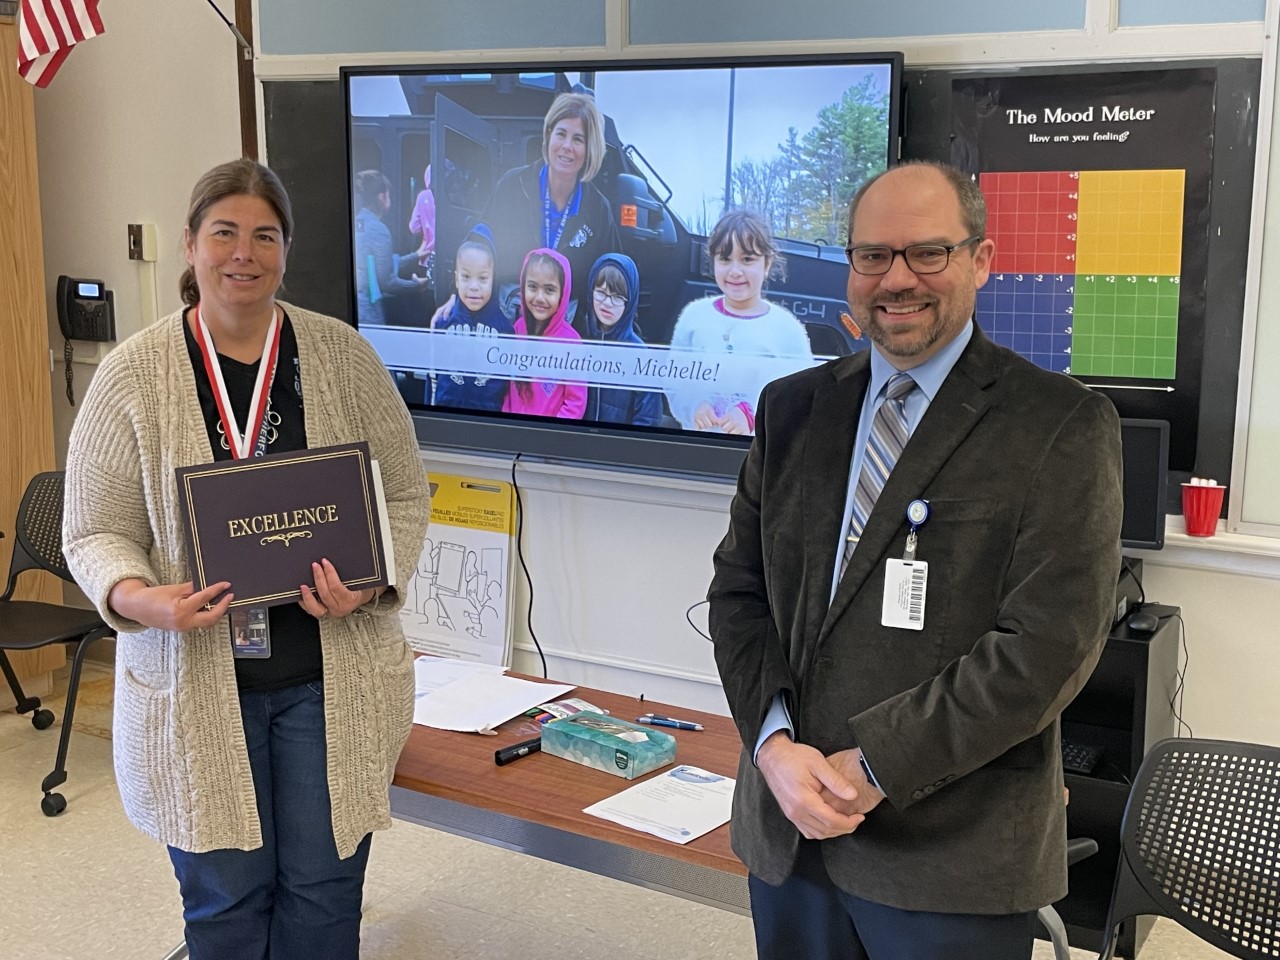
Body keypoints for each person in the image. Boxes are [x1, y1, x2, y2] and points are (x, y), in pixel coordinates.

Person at [707, 161, 1123, 960]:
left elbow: (1045, 649)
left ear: (981, 259)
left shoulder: (1060, 425)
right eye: (873, 256)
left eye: (927, 253)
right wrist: (773, 748)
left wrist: (873, 766)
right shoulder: (794, 409)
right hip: (791, 830)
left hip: (951, 861)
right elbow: (739, 593)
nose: (897, 280)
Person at [61, 159, 432, 960]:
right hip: (197, 686)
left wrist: (368, 584)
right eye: (223, 232)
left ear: (286, 251)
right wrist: (139, 598)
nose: (244, 253)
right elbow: (93, 530)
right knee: (226, 905)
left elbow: (404, 495)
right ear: (191, 245)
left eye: (265, 235)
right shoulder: (131, 375)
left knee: (325, 895)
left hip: (328, 682)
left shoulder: (343, 358)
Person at [666, 209, 812, 434]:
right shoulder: (693, 317)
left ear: (767, 263)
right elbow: (674, 382)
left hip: (758, 457)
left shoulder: (787, 330)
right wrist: (694, 406)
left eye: (747, 259)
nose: (735, 271)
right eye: (725, 259)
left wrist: (752, 415)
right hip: (697, 451)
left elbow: (801, 397)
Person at [479, 91, 621, 323]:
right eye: (561, 134)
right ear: (548, 135)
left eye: (578, 139)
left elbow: (612, 276)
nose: (567, 146)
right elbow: (480, 247)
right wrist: (458, 300)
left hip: (564, 329)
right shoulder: (512, 185)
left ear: (590, 149)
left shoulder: (598, 209)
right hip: (508, 319)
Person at [432, 224, 513, 411]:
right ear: (456, 278)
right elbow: (433, 378)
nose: (474, 286)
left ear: (494, 279)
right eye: (466, 277)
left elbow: (508, 388)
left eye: (483, 278)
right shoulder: (443, 322)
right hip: (448, 421)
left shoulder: (505, 330)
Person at [501, 248, 587, 419]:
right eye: (532, 286)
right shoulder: (517, 330)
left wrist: (549, 435)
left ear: (563, 294)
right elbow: (507, 391)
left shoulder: (572, 343)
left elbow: (575, 404)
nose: (539, 297)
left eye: (549, 290)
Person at [581, 253, 663, 426]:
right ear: (591, 292)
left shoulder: (641, 356)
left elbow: (648, 419)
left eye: (618, 297)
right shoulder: (578, 344)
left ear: (630, 301)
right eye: (601, 293)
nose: (607, 303)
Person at [354, 168, 428, 325]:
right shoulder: (379, 230)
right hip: (368, 314)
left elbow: (378, 265)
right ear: (382, 196)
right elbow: (386, 281)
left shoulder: (359, 222)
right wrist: (416, 286)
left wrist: (416, 256)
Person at [408, 163, 435, 273]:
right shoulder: (456, 197)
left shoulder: (423, 196)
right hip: (452, 260)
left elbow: (414, 228)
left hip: (427, 258)